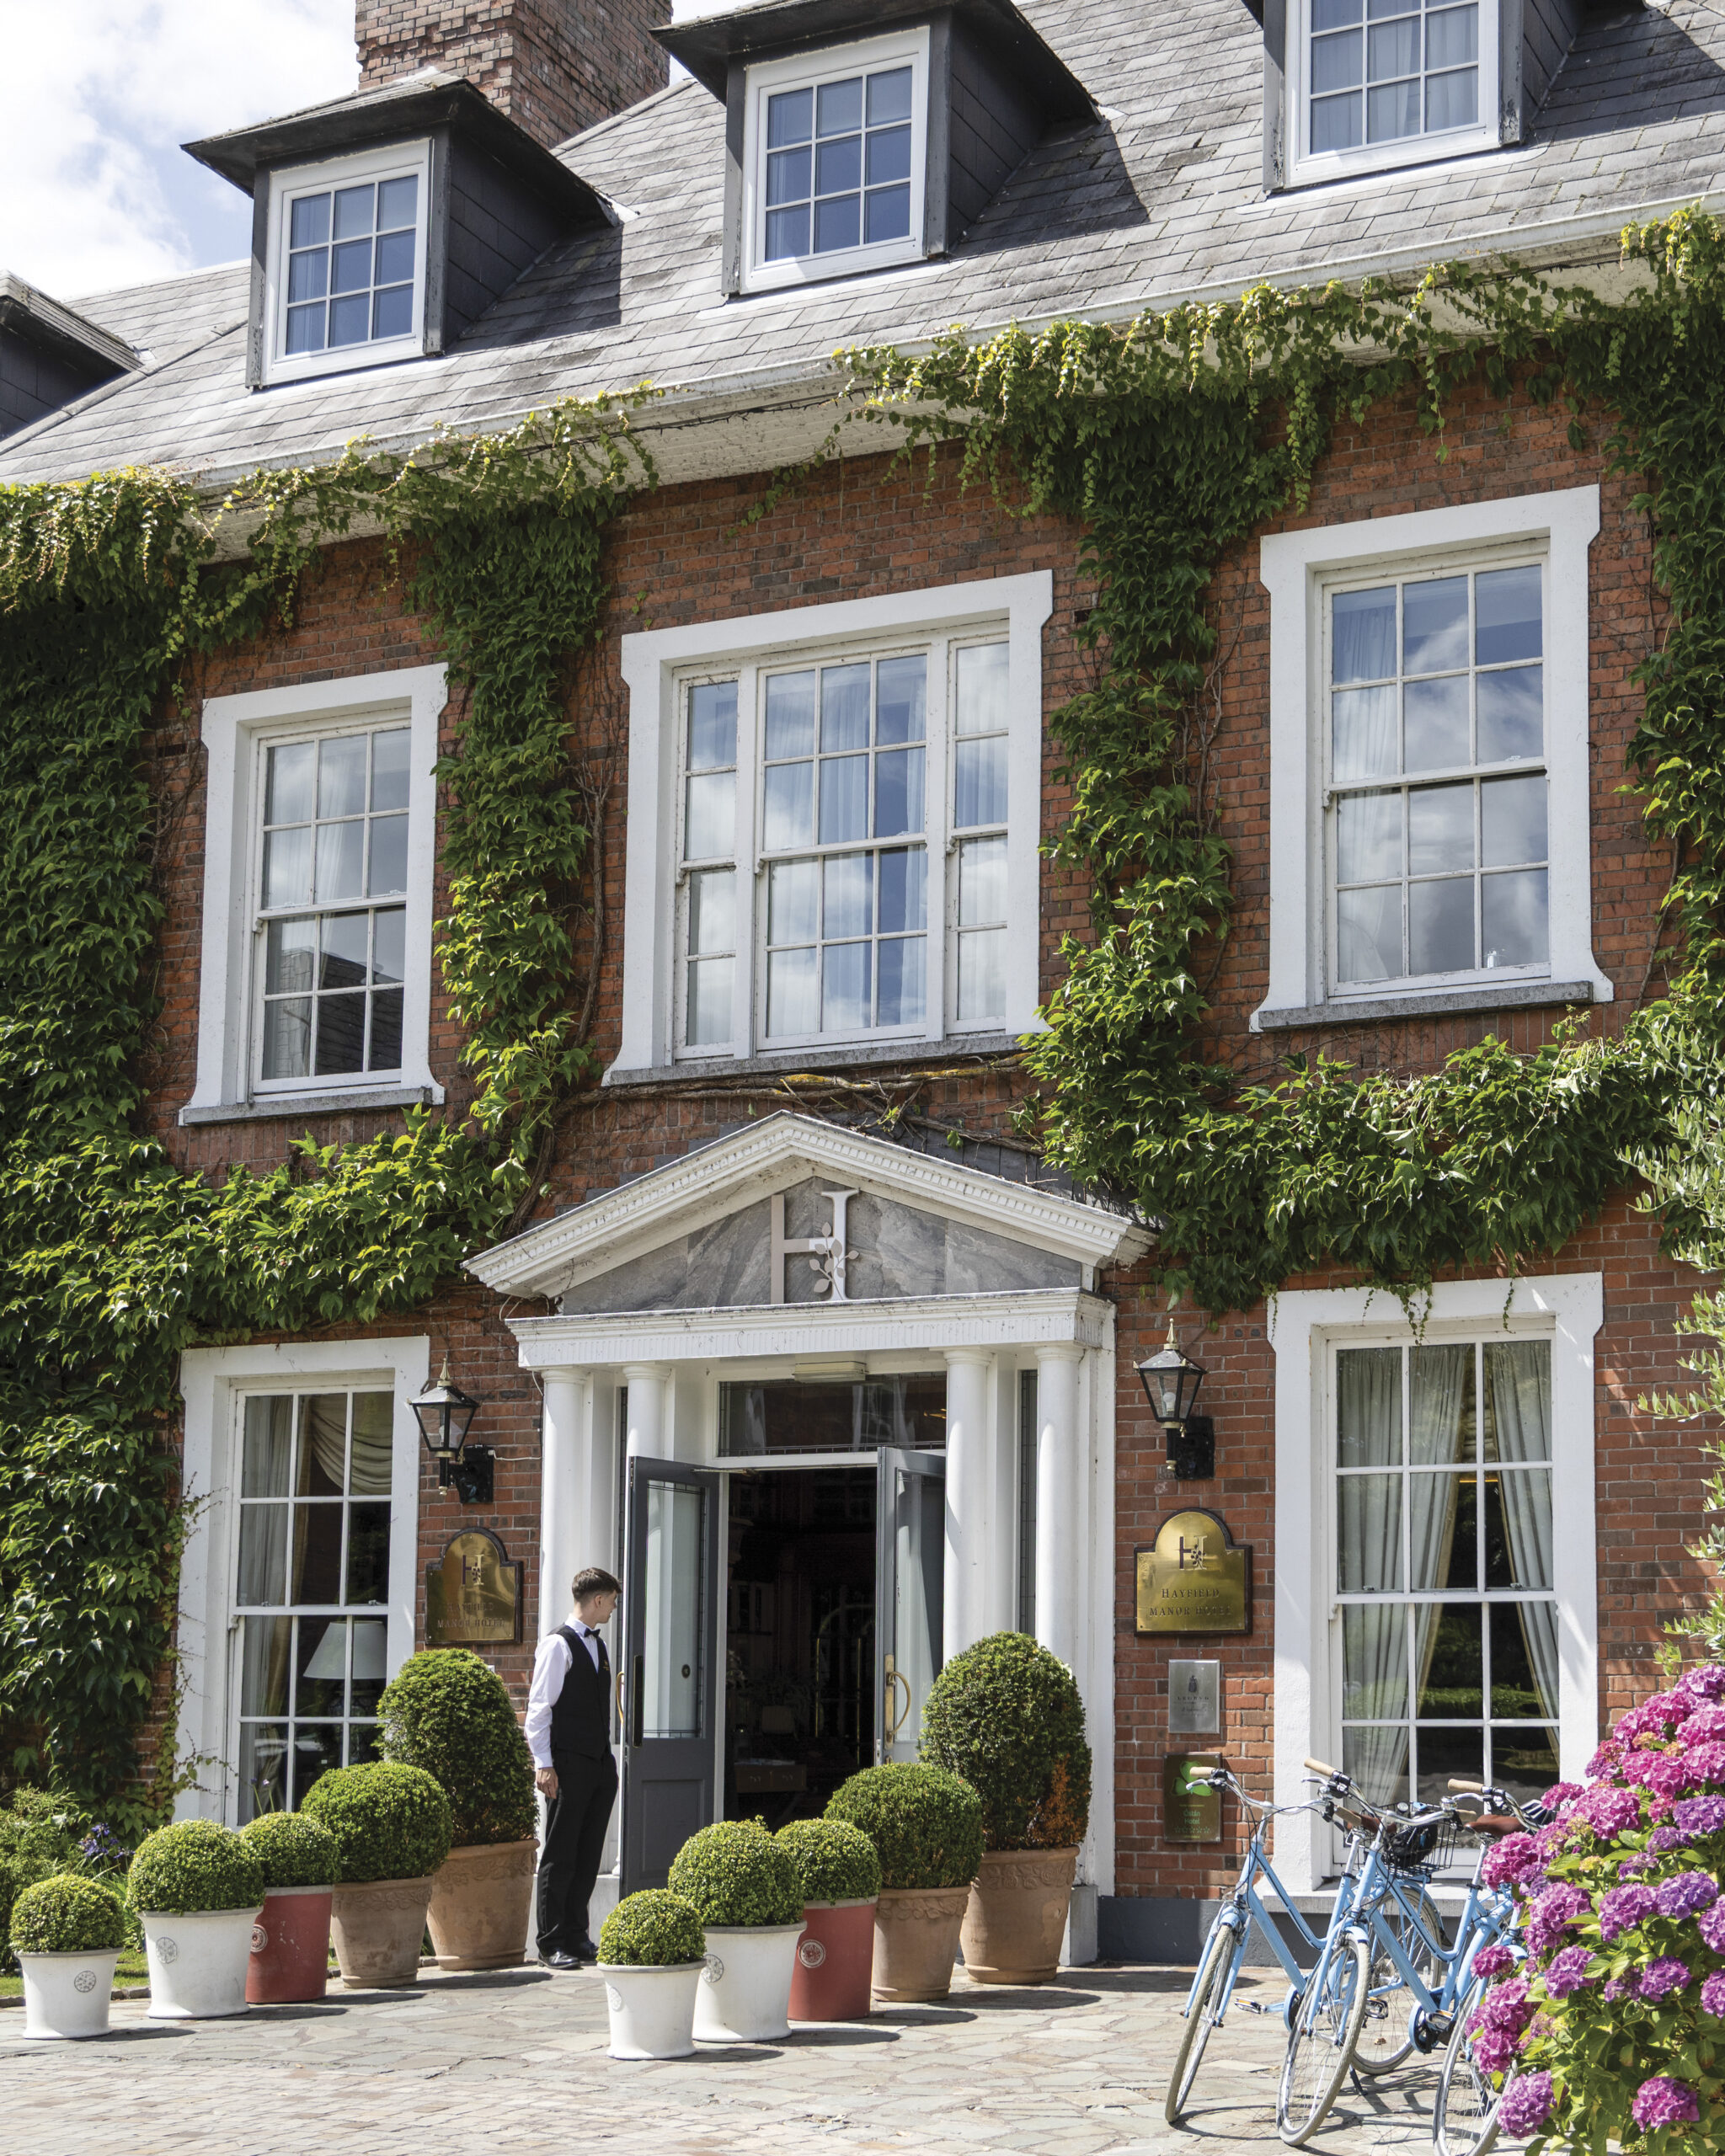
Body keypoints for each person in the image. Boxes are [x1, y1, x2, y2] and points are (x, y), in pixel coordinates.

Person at [524, 1564, 620, 1969]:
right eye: (612, 1602)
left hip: (598, 1764)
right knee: (560, 1853)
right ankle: (550, 1941)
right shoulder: (557, 1646)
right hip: (566, 1764)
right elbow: (538, 1711)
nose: (614, 1609)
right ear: (597, 1600)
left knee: (588, 1852)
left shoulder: (598, 1646)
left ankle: (578, 1935)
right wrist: (543, 1765)